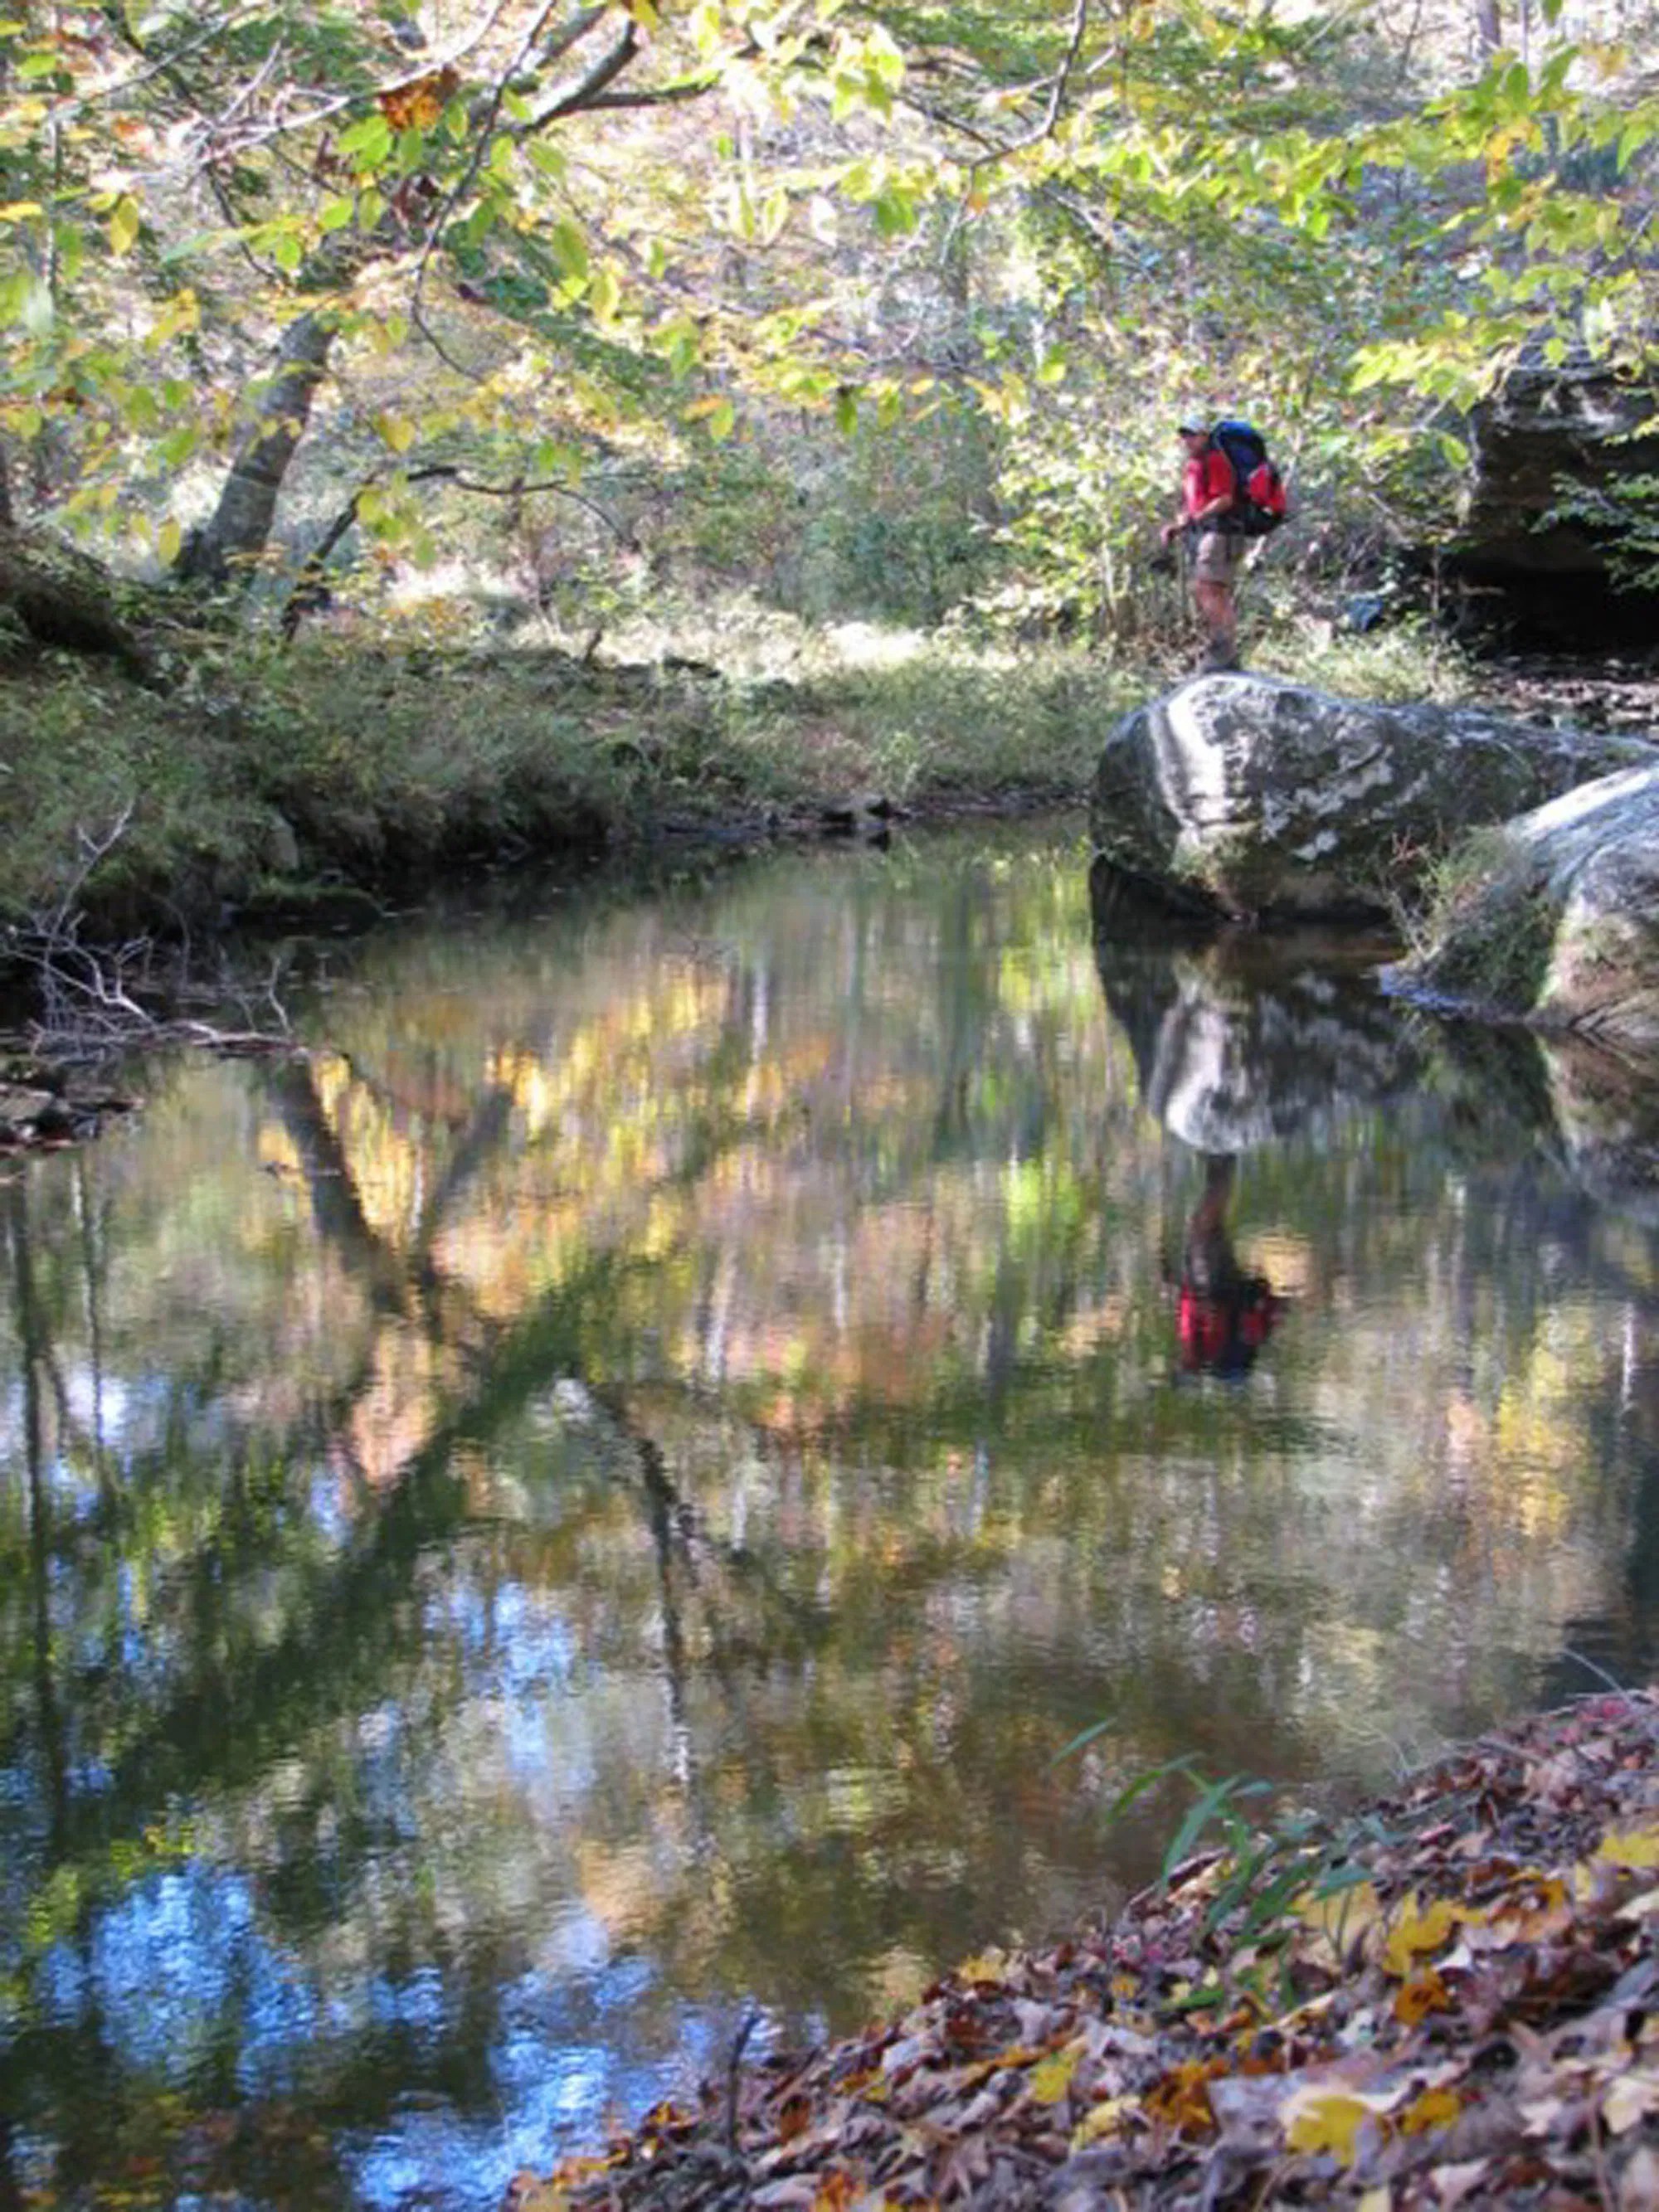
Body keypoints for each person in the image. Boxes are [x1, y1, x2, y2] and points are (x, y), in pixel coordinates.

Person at [1175, 1155, 1287, 1381]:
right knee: (1203, 1226)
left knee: (1207, 1224)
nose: (1179, 1360)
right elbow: (1199, 1310)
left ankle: (1219, 1164)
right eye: (1183, 1365)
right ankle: (1222, 1162)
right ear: (1192, 1367)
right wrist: (1184, 1284)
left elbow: (1191, 1310)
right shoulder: (1205, 1346)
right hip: (1210, 1281)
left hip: (1215, 1281)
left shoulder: (1207, 1349)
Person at [1160, 416, 1243, 673]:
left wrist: (1197, 517)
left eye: (1193, 434)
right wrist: (1179, 524)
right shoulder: (1194, 465)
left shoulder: (1216, 460)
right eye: (1185, 435)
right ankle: (1224, 651)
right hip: (1205, 533)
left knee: (1209, 589)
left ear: (1206, 435)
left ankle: (1223, 651)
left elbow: (1225, 500)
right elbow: (1195, 502)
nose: (1188, 440)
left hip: (1221, 532)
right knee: (1209, 590)